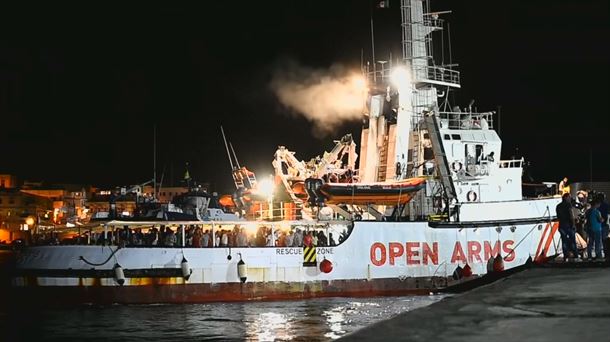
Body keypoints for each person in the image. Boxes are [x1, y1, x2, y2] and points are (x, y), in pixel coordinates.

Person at [556, 193, 577, 260]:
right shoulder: (568, 205)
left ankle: (566, 256)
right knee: (572, 240)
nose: (570, 199)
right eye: (569, 197)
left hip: (561, 224)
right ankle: (575, 255)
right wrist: (573, 225)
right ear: (565, 198)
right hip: (569, 225)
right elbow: (571, 215)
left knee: (564, 241)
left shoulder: (558, 206)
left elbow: (558, 216)